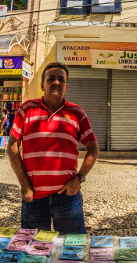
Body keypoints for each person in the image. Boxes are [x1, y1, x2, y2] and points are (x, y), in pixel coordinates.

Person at [8, 62, 99, 233]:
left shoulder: (77, 113)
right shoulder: (26, 110)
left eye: (61, 79)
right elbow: (12, 145)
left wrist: (79, 179)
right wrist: (24, 184)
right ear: (42, 85)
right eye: (51, 79)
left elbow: (93, 148)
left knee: (72, 249)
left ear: (66, 86)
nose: (56, 82)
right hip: (33, 197)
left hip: (68, 198)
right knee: (33, 250)